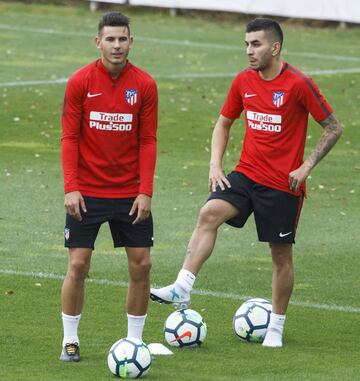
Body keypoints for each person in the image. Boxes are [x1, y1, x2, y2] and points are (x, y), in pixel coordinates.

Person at [150, 18, 342, 348]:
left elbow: (333, 127)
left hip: (283, 186)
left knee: (281, 257)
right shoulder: (243, 82)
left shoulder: (298, 84)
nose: (249, 51)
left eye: (255, 44)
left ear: (275, 47)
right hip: (246, 175)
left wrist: (305, 167)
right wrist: (215, 164)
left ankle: (276, 327)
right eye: (246, 44)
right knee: (208, 214)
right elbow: (223, 123)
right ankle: (183, 284)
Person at [60, 12, 158, 361]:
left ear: (131, 42)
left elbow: (148, 140)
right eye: (110, 39)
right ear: (98, 42)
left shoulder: (144, 84)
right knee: (78, 266)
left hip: (130, 193)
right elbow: (70, 137)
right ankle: (70, 340)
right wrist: (71, 187)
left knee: (141, 266)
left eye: (123, 39)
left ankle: (134, 341)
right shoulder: (80, 81)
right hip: (86, 192)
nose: (117, 45)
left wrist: (145, 190)